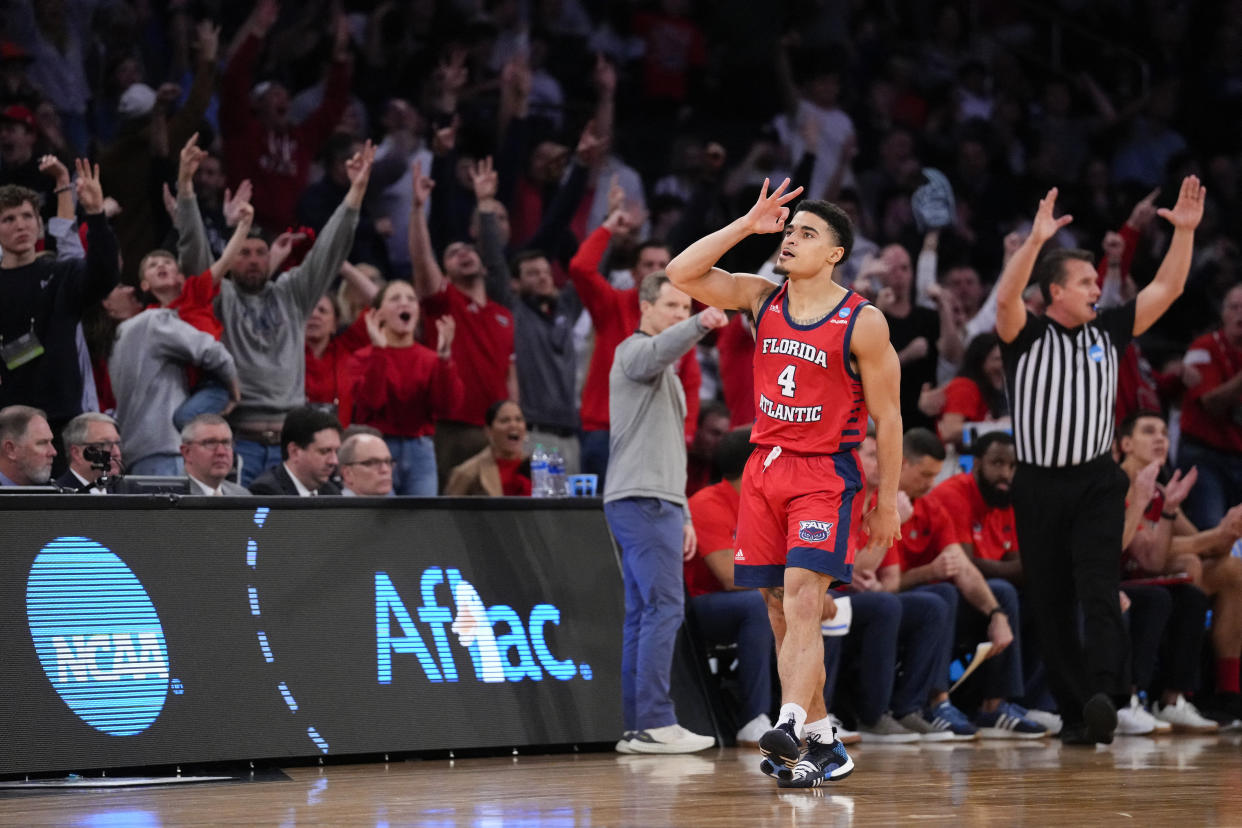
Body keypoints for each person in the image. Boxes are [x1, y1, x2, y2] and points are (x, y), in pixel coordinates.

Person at [666, 181, 904, 787]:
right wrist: (748, 224)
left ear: (835, 254)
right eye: (790, 230)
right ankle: (824, 743)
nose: (792, 238)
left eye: (807, 233)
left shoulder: (863, 321)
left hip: (825, 472)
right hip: (765, 469)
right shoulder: (760, 298)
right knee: (777, 609)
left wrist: (886, 502)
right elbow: (681, 271)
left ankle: (790, 720)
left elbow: (890, 417)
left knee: (803, 598)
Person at [995, 178, 1205, 745]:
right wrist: (1033, 245)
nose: (1097, 289)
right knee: (1052, 601)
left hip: (1095, 482)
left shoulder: (1109, 329)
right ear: (1055, 293)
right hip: (1037, 484)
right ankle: (1077, 712)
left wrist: (1183, 232)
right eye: (1086, 282)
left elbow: (1169, 287)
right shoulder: (1027, 334)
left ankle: (1112, 692)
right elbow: (1005, 300)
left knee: (1098, 585)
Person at [605, 272, 726, 754]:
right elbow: (656, 353)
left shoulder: (665, 371)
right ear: (645, 308)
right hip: (644, 500)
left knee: (643, 614)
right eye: (672, 306)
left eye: (685, 308)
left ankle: (639, 726)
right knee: (664, 609)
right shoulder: (634, 352)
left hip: (653, 500)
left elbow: (665, 448)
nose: (679, 315)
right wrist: (699, 324)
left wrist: (686, 515)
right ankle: (655, 721)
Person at [212, 142, 373, 486]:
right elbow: (195, 265)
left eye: (260, 252)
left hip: (291, 445)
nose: (253, 259)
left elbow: (328, 250)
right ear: (228, 258)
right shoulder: (220, 297)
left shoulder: (291, 293)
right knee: (239, 534)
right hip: (241, 440)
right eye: (243, 253)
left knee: (290, 534)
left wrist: (355, 193)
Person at [1118, 410, 1242, 727]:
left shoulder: (1159, 490)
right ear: (1126, 444)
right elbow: (1144, 552)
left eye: (1164, 431)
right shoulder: (1119, 484)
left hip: (1150, 578)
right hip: (1120, 578)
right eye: (1149, 431)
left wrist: (1228, 532)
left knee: (1232, 569)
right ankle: (1164, 692)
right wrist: (1214, 537)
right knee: (1188, 567)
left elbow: (1197, 542)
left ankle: (1227, 693)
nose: (1160, 438)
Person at [568, 203, 699, 488]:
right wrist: (608, 227)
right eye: (647, 265)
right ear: (634, 272)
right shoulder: (612, 304)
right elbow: (580, 268)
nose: (655, 271)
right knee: (599, 524)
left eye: (662, 265)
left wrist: (685, 435)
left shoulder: (680, 321)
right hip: (606, 432)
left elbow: (690, 383)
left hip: (657, 439)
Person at [408, 161, 515, 488]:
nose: (464, 253)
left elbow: (511, 373)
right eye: (453, 253)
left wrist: (515, 420)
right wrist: (416, 209)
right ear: (445, 270)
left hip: (493, 430)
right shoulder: (444, 301)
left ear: (484, 265)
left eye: (469, 249)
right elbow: (421, 259)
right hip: (447, 427)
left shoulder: (504, 314)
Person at [0, 162, 117, 444]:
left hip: (62, 422)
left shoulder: (62, 273)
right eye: (8, 219)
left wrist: (96, 215)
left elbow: (105, 275)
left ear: (40, 224)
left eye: (28, 216)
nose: (21, 225)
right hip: (6, 422)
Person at [684, 427, 776, 747]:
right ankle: (754, 720)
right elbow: (729, 575)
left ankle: (814, 716)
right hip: (702, 604)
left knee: (820, 601)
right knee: (758, 604)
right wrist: (783, 586)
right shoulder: (708, 503)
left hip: (751, 597)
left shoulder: (768, 503)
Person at [350, 280, 462, 495]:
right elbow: (372, 401)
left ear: (418, 312)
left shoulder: (431, 359)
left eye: (411, 299)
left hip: (421, 451)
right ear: (377, 313)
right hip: (376, 450)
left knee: (421, 526)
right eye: (395, 298)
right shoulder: (362, 358)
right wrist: (379, 352)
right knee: (382, 525)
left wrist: (445, 359)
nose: (405, 303)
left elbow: (447, 407)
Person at [109, 305, 240, 477]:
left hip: (136, 453)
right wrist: (234, 391)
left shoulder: (118, 335)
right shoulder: (152, 321)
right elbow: (214, 352)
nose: (130, 289)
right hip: (165, 450)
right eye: (119, 287)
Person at [1178, 283, 1242, 532]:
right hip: (1205, 456)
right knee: (1212, 528)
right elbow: (1211, 404)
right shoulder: (1203, 348)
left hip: (1238, 453)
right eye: (1234, 307)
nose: (1240, 314)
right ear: (1223, 314)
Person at [936, 333, 1010, 451]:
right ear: (980, 362)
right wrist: (997, 427)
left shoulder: (1001, 389)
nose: (1003, 365)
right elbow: (949, 432)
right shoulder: (964, 387)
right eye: (997, 359)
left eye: (1005, 359)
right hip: (957, 462)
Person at [248, 406, 343, 496]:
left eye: (336, 452)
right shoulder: (266, 493)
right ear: (294, 452)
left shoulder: (332, 492)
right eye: (324, 451)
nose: (334, 461)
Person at [444, 400, 532, 497]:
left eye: (519, 420)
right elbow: (450, 510)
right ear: (488, 431)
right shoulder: (468, 473)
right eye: (505, 420)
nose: (513, 425)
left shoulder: (538, 467)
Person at [179, 414, 250, 496]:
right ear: (187, 452)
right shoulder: (170, 498)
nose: (221, 452)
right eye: (210, 443)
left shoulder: (241, 495)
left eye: (226, 443)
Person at [56, 412, 122, 492]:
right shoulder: (59, 495)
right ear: (76, 453)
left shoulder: (124, 491)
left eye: (117, 443)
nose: (116, 453)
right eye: (103, 444)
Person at [0, 405, 56, 486]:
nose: (53, 452)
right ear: (11, 449)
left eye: (51, 442)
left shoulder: (53, 491)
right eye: (42, 443)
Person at [338, 432, 395, 496]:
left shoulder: (398, 505)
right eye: (373, 463)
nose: (385, 470)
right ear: (347, 474)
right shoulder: (334, 505)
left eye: (388, 462)